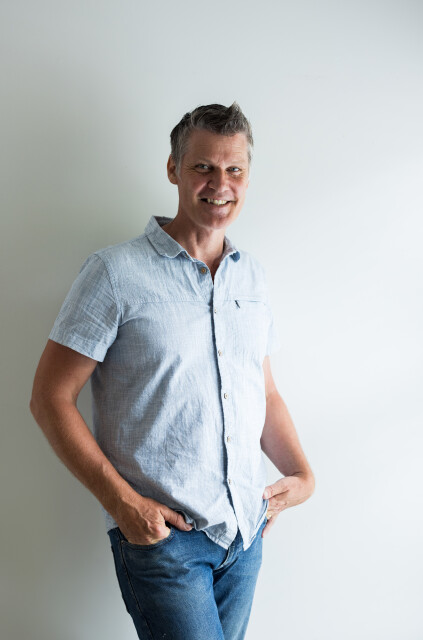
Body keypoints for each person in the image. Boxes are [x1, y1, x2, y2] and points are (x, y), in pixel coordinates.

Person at [30, 102, 315, 640]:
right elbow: (50, 397)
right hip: (165, 540)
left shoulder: (251, 278)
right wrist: (124, 505)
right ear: (173, 169)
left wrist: (302, 475)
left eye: (234, 169)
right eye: (203, 167)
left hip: (245, 535)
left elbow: (264, 393)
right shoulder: (114, 273)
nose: (220, 184)